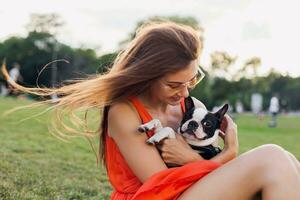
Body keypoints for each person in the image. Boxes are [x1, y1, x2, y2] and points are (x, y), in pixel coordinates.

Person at [2, 22, 300, 199]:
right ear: (146, 76)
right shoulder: (124, 111)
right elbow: (161, 184)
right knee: (272, 157)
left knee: (288, 160)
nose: (185, 92)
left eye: (192, 80)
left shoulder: (187, 106)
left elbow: (194, 169)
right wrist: (224, 157)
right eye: (174, 84)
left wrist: (196, 159)